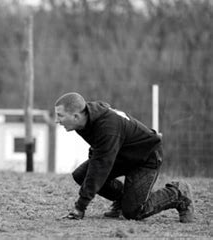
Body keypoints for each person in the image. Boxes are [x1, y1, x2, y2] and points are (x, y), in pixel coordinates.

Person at [54, 92, 194, 223]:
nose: (56, 120)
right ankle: (123, 200)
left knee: (133, 212)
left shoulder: (107, 127)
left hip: (146, 158)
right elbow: (99, 150)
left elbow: (100, 165)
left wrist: (80, 207)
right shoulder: (85, 120)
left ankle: (178, 193)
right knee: (81, 175)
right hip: (123, 156)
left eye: (60, 116)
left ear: (76, 116)